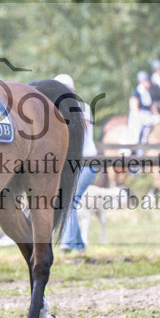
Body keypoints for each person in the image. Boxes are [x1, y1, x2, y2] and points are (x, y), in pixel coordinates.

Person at [54, 74, 99, 253]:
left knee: (70, 199)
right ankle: (79, 245)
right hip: (72, 164)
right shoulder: (55, 110)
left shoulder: (82, 108)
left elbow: (78, 133)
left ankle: (67, 242)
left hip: (86, 162)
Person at [129, 71, 159, 144]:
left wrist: (156, 115)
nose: (149, 83)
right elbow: (134, 107)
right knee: (136, 133)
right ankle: (133, 149)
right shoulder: (136, 92)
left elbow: (153, 106)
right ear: (141, 81)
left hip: (148, 115)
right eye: (146, 81)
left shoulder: (150, 93)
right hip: (138, 116)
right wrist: (141, 117)